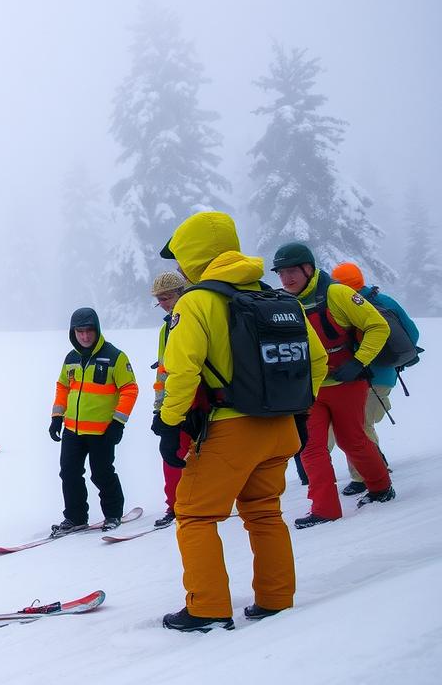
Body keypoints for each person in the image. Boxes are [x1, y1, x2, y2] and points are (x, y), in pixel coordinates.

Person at [153, 212, 327, 632]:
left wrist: (169, 424)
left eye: (181, 260)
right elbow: (317, 361)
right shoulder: (275, 298)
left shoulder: (196, 302)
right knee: (265, 512)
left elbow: (182, 371)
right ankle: (276, 597)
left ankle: (207, 608)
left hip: (229, 429)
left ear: (195, 256)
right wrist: (299, 412)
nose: (179, 269)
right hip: (281, 426)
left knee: (193, 515)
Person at [272, 243, 396, 527]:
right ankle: (324, 509)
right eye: (281, 273)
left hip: (346, 383)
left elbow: (379, 327)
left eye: (292, 271)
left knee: (351, 440)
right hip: (309, 389)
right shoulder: (282, 302)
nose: (286, 278)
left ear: (308, 268)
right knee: (311, 447)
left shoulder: (337, 293)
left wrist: (360, 361)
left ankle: (380, 487)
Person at [327, 261, 420, 495]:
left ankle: (364, 477)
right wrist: (393, 358)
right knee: (362, 423)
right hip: (386, 375)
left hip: (359, 376)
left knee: (357, 426)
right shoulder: (384, 300)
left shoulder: (345, 306)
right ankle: (372, 467)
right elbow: (413, 333)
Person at [47, 307, 138, 535]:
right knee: (69, 473)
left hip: (102, 432)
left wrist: (118, 423)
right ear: (73, 333)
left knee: (102, 473)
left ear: (97, 330)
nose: (85, 337)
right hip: (73, 431)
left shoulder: (115, 357)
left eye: (89, 331)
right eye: (80, 332)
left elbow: (130, 389)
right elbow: (63, 386)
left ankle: (113, 514)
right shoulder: (71, 358)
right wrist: (57, 417)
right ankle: (76, 517)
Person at [149, 271, 188, 527]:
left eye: (165, 297)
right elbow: (163, 371)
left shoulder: (191, 318)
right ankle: (174, 506)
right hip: (173, 402)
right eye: (159, 299)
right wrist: (158, 408)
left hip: (198, 402)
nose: (162, 303)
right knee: (171, 455)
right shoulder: (166, 328)